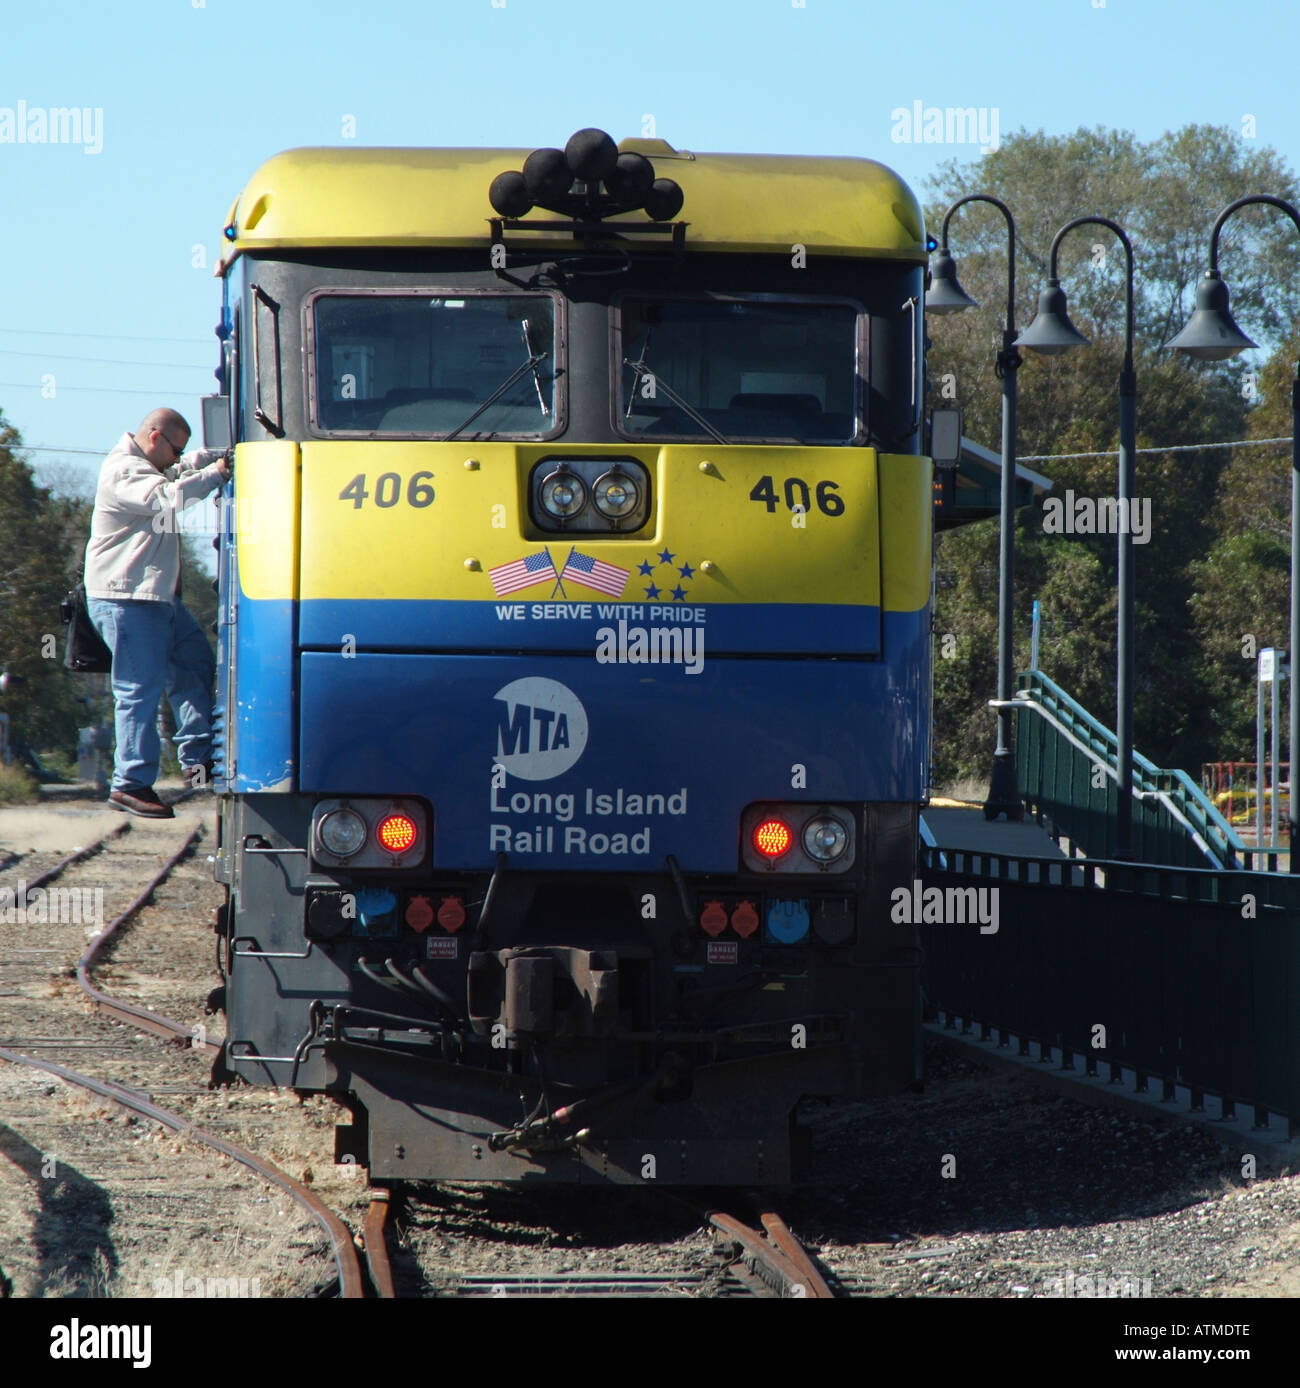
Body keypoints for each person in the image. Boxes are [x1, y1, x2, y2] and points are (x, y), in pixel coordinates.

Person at [84, 408, 230, 818]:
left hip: (154, 598)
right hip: (127, 599)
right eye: (174, 449)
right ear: (154, 437)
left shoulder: (149, 466)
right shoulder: (125, 471)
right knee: (137, 691)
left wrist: (207, 460)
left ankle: (198, 758)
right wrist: (218, 472)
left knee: (194, 662)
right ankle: (130, 782)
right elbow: (166, 497)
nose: (176, 458)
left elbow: (179, 470)